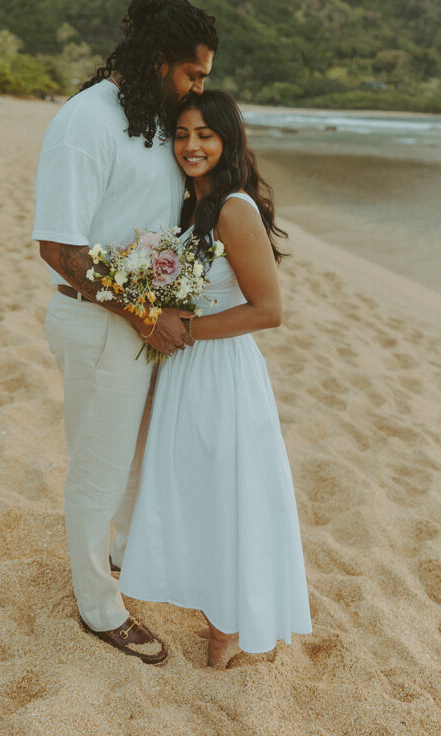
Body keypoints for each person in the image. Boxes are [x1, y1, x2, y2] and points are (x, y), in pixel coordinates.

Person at [32, 0, 218, 665]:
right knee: (99, 471)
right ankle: (98, 606)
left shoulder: (150, 117)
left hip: (142, 325)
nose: (200, 86)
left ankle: (122, 553)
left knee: (140, 461)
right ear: (160, 59)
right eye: (194, 73)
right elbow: (60, 249)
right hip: (100, 324)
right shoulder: (85, 122)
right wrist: (145, 313)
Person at [118, 90, 312, 669]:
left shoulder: (232, 207)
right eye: (181, 134)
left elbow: (269, 310)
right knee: (197, 493)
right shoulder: (186, 205)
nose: (191, 145)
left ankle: (228, 630)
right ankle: (218, 617)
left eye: (204, 134)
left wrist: (183, 328)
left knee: (227, 495)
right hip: (183, 370)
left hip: (220, 371)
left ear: (227, 141)